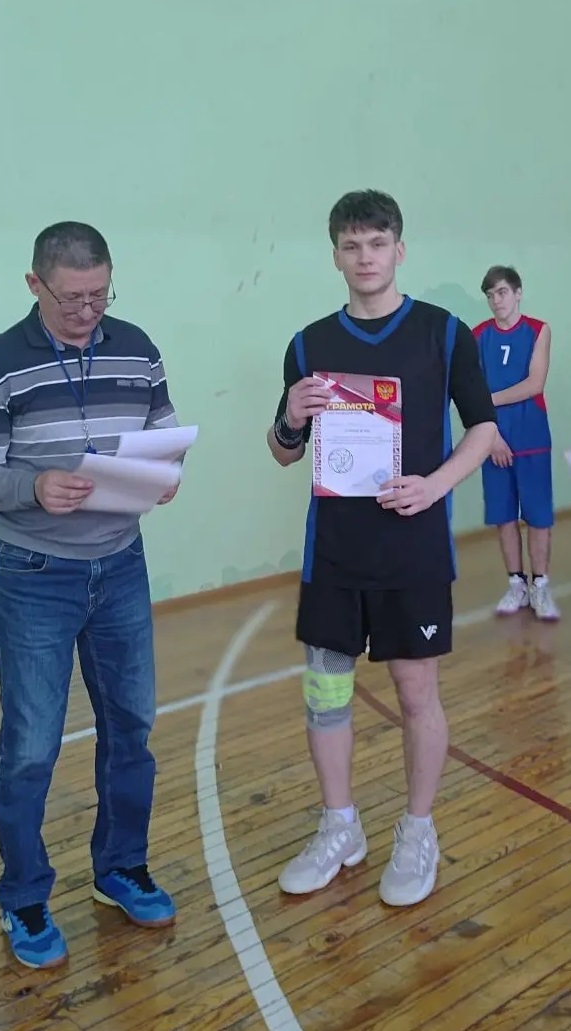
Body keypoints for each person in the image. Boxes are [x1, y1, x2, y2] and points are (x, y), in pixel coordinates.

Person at [0, 221, 179, 969]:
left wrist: (166, 475)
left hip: (121, 565)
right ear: (35, 285)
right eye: (72, 298)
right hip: (33, 575)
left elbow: (163, 430)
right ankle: (23, 896)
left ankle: (121, 868)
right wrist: (34, 485)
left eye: (100, 295)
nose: (88, 311)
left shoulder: (137, 347)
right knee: (29, 747)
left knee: (131, 727)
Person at [267, 190, 497, 908]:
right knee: (325, 691)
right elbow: (284, 451)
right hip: (333, 554)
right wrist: (288, 414)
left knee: (415, 693)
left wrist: (435, 486)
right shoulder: (308, 344)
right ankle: (340, 825)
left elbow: (483, 429)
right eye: (351, 246)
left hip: (412, 551)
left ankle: (417, 829)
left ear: (399, 249)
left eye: (376, 244)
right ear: (335, 255)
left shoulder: (444, 333)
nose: (364, 257)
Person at [473, 266, 559, 620]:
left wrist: (487, 401)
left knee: (538, 517)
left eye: (503, 292)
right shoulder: (478, 335)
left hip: (532, 438)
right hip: (493, 440)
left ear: (518, 293)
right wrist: (491, 435)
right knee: (504, 516)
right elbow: (471, 391)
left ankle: (540, 586)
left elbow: (534, 384)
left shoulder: (538, 330)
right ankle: (517, 585)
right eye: (490, 295)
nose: (497, 300)